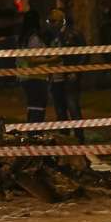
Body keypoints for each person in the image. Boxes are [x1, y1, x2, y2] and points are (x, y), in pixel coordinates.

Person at [43, 8, 87, 142]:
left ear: (62, 21)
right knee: (60, 110)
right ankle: (65, 138)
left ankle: (79, 138)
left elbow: (84, 53)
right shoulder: (51, 37)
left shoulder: (73, 34)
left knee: (73, 107)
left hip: (69, 77)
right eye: (49, 21)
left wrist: (75, 71)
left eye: (53, 21)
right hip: (56, 78)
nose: (51, 24)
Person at [17, 10, 58, 123]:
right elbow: (32, 60)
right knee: (38, 108)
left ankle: (33, 134)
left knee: (33, 107)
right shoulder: (34, 39)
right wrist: (52, 59)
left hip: (27, 77)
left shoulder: (24, 38)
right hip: (35, 77)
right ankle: (35, 134)